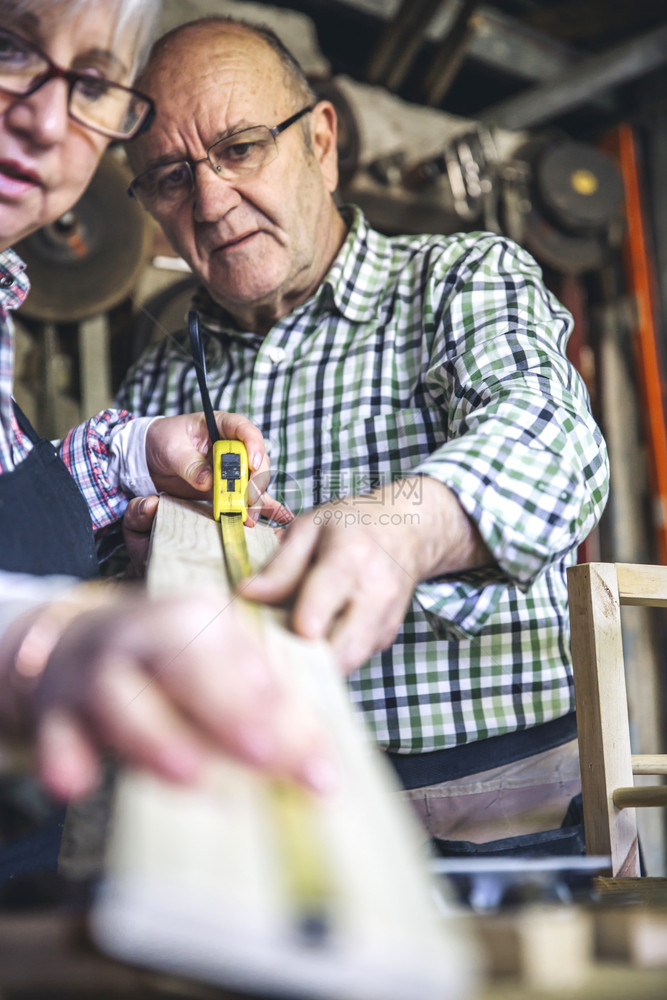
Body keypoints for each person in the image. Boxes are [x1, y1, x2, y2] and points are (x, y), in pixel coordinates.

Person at [118, 16, 610, 853]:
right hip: (271, 818)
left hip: (506, 806)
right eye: (169, 177)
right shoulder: (157, 388)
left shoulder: (461, 279)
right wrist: (135, 566)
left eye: (240, 147)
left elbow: (555, 442)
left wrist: (398, 532)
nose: (209, 201)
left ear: (319, 141)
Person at [0, 0, 335, 885]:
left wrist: (127, 456)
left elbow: (549, 458)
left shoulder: (468, 281)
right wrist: (58, 629)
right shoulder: (166, 361)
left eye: (92, 83)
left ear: (322, 143)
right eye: (7, 47)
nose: (43, 115)